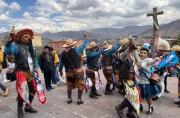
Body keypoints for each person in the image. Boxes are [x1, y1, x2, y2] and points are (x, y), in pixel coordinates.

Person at [4, 28, 38, 118]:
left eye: (29, 37)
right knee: (22, 91)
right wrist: (10, 41)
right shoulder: (16, 46)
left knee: (33, 90)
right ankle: (19, 109)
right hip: (21, 72)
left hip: (29, 72)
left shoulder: (29, 47)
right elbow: (9, 51)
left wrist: (35, 68)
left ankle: (28, 106)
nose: (28, 38)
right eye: (25, 36)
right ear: (20, 38)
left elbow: (33, 57)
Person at [59, 38, 89, 105]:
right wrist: (86, 39)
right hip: (77, 71)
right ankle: (79, 100)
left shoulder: (62, 54)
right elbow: (83, 46)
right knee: (80, 85)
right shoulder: (76, 50)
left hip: (68, 72)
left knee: (69, 85)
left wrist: (60, 71)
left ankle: (69, 99)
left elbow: (60, 64)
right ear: (72, 44)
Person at [135, 47, 160, 115]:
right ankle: (140, 106)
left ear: (147, 54)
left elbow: (152, 62)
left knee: (148, 96)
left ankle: (151, 108)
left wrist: (155, 60)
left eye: (145, 53)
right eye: (141, 52)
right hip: (137, 82)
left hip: (146, 82)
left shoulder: (148, 60)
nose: (143, 54)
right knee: (138, 95)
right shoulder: (137, 59)